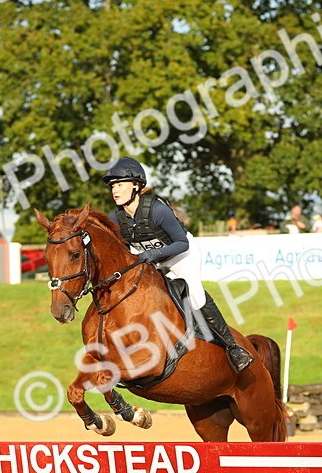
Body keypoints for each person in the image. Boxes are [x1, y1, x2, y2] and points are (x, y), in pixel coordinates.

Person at [102, 157, 254, 373]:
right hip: (153, 260)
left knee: (195, 296)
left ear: (136, 186)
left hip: (181, 254)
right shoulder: (115, 218)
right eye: (113, 186)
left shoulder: (157, 210)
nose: (115, 190)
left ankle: (233, 347)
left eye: (120, 184)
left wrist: (153, 254)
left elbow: (181, 243)